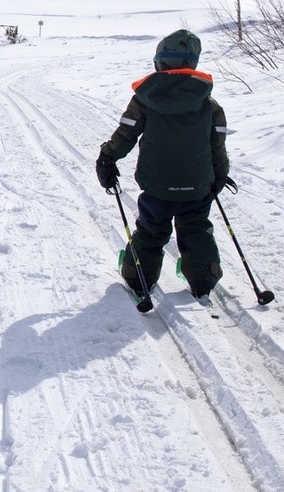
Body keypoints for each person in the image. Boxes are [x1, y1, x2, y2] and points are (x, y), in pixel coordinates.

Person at [95, 29, 234, 299]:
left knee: (151, 230)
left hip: (157, 185)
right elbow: (217, 145)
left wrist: (107, 158)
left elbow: (126, 134)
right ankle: (203, 278)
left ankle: (138, 279)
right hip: (197, 186)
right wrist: (219, 175)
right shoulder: (209, 104)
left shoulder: (145, 100)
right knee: (196, 229)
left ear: (160, 62)